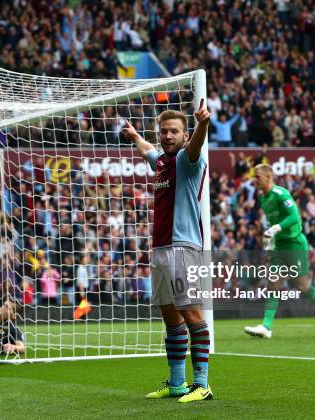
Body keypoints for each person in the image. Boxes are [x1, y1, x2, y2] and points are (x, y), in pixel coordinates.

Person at [122, 98, 213, 402]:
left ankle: (202, 384)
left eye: (174, 131)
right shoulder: (161, 161)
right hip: (161, 249)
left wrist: (202, 123)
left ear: (184, 135)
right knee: (170, 317)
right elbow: (148, 150)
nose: (168, 136)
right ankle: (177, 383)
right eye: (164, 131)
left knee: (191, 313)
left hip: (183, 247)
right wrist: (135, 136)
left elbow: (198, 145)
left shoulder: (189, 160)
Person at [244, 164, 315, 338]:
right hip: (280, 245)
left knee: (302, 286)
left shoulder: (281, 194)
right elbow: (272, 220)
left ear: (268, 177)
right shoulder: (263, 198)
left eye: (257, 176)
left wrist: (276, 228)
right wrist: (270, 241)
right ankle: (266, 327)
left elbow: (294, 217)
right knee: (273, 283)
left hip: (295, 244)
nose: (254, 179)